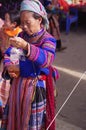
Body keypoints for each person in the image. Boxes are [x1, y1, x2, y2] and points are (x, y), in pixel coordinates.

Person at [1, 0, 59, 130]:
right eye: (22, 23)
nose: (24, 27)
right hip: (17, 86)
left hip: (35, 89)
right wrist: (10, 67)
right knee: (15, 118)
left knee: (32, 123)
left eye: (28, 23)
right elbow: (10, 52)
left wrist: (26, 47)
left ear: (39, 19)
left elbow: (46, 60)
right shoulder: (22, 35)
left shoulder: (48, 39)